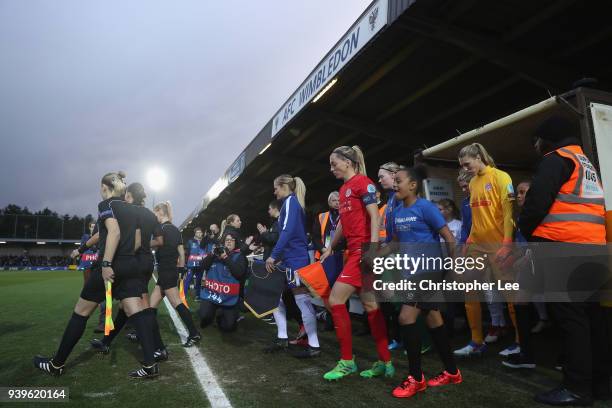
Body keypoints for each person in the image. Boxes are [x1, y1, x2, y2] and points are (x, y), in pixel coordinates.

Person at [518, 117, 609, 405]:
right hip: (592, 249)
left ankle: (576, 388)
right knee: (592, 320)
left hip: (562, 247)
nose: (535, 147)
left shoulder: (555, 159)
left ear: (547, 139)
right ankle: (599, 385)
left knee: (572, 322)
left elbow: (535, 204)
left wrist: (527, 231)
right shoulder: (586, 164)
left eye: (536, 141)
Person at [34, 171, 159, 378]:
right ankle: (150, 365)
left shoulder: (106, 205)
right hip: (131, 265)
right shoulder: (132, 209)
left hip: (111, 266)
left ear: (104, 187)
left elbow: (114, 232)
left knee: (81, 312)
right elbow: (135, 239)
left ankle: (56, 365)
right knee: (137, 313)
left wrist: (107, 263)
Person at [383, 166, 462, 398]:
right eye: (394, 181)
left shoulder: (425, 207)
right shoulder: (397, 211)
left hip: (428, 271)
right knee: (433, 317)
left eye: (398, 180)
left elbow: (448, 237)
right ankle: (452, 372)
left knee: (405, 317)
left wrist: (454, 267)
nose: (394, 184)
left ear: (413, 185)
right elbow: (396, 242)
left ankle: (416, 379)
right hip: (412, 272)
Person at [320, 145, 394, 381]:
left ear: (348, 162)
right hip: (354, 252)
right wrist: (331, 246)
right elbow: (342, 223)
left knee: (335, 300)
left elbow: (375, 216)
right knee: (371, 308)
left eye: (335, 163)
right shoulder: (343, 190)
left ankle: (347, 361)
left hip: (362, 253)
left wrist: (371, 250)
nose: (332, 168)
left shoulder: (363, 182)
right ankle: (385, 362)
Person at [453, 143, 518, 357]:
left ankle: (520, 342)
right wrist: (468, 243)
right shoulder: (472, 183)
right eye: (461, 165)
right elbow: (476, 219)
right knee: (469, 290)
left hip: (499, 244)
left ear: (479, 157)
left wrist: (508, 243)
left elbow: (509, 213)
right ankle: (476, 341)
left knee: (510, 295)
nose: (465, 168)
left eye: (467, 164)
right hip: (476, 246)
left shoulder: (501, 177)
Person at [90, 182, 165, 361]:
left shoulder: (129, 211)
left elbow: (135, 241)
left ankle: (159, 348)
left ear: (129, 195)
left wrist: (118, 256)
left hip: (135, 261)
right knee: (125, 306)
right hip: (147, 261)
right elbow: (160, 241)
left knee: (142, 308)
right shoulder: (150, 214)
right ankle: (106, 341)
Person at [264, 174, 320, 358]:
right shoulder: (292, 203)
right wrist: (280, 258)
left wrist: (273, 256)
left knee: (301, 300)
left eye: (276, 187)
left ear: (283, 186)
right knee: (277, 297)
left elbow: (287, 233)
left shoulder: (290, 202)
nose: (274, 191)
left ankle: (314, 345)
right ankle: (282, 338)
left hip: (296, 261)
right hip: (290, 260)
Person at [149, 201, 201, 347]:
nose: (154, 216)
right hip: (170, 271)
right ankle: (144, 330)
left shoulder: (161, 228)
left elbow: (158, 245)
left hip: (166, 271)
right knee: (151, 306)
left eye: (155, 213)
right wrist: (181, 269)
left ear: (160, 211)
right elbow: (181, 253)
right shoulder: (175, 229)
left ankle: (194, 333)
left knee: (177, 303)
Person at [259, 200, 305, 343]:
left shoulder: (280, 223)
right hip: (279, 264)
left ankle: (303, 330)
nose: (268, 212)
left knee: (293, 299)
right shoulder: (278, 223)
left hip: (284, 264)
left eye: (269, 209)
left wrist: (264, 233)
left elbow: (278, 239)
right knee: (284, 298)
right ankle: (285, 335)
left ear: (276, 209)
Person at [199, 231, 247, 332]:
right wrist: (212, 254)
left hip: (229, 298)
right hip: (212, 295)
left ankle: (220, 313)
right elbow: (202, 265)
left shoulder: (240, 256)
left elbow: (238, 273)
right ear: (223, 242)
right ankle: (212, 312)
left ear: (236, 242)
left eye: (231, 240)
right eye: (226, 240)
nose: (229, 242)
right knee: (204, 318)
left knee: (228, 328)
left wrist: (226, 257)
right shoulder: (215, 253)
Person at [184, 227, 207, 301]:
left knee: (199, 281)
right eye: (198, 232)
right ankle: (183, 295)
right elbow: (187, 253)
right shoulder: (190, 241)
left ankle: (198, 296)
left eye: (200, 232)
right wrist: (186, 263)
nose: (199, 234)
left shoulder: (204, 242)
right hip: (191, 265)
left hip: (200, 265)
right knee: (188, 279)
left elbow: (205, 253)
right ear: (195, 233)